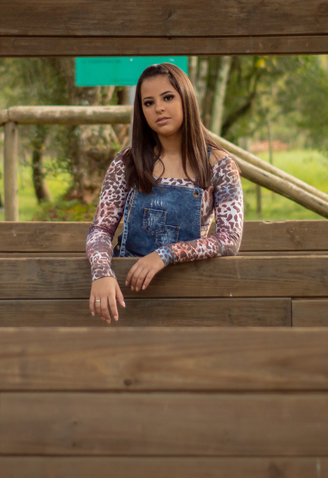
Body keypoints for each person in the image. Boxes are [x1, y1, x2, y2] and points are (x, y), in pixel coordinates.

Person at [86, 62, 244, 323]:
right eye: (148, 103)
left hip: (190, 293)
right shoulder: (127, 163)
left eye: (168, 97)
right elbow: (100, 230)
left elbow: (229, 240)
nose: (158, 107)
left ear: (186, 99)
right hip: (127, 295)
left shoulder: (219, 165)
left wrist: (165, 254)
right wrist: (101, 272)